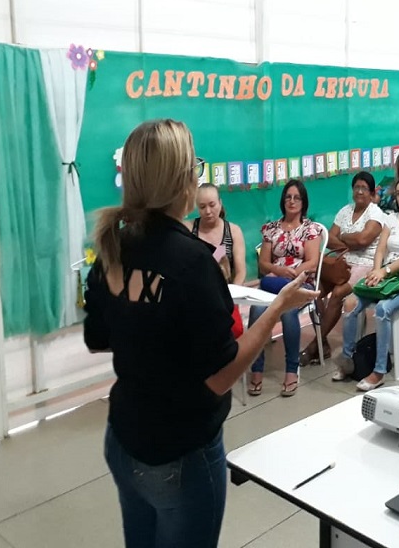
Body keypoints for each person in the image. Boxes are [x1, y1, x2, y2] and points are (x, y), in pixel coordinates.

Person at [84, 119, 316, 548]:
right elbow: (221, 375)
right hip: (179, 453)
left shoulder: (114, 247)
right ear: (180, 179)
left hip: (124, 437)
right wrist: (277, 308)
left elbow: (98, 336)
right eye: (194, 166)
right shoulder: (192, 262)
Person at [334, 177, 399, 390]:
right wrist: (376, 271)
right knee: (350, 303)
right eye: (398, 193)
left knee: (383, 308)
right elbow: (380, 250)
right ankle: (349, 360)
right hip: (385, 279)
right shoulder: (390, 218)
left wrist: (384, 271)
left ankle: (378, 371)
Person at [247, 179, 322, 398]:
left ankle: (291, 370)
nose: (292, 201)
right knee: (257, 311)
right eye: (288, 197)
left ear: (303, 201)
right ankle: (257, 369)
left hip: (300, 283)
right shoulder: (271, 229)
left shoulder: (310, 229)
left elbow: (312, 262)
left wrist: (294, 272)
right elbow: (264, 264)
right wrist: (280, 272)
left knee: (289, 312)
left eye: (296, 197)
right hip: (275, 282)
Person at [304, 172, 385, 364]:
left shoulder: (376, 214)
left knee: (339, 292)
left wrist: (345, 238)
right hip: (342, 261)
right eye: (356, 187)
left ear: (372, 193)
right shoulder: (345, 211)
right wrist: (350, 241)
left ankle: (314, 345)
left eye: (364, 188)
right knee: (312, 291)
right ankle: (323, 342)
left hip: (365, 264)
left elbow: (364, 240)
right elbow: (329, 239)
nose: (359, 192)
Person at [189, 183, 246, 285]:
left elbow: (240, 272)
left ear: (220, 203)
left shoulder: (234, 231)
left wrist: (232, 296)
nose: (208, 211)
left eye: (212, 205)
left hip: (227, 292)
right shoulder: (188, 229)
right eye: (202, 207)